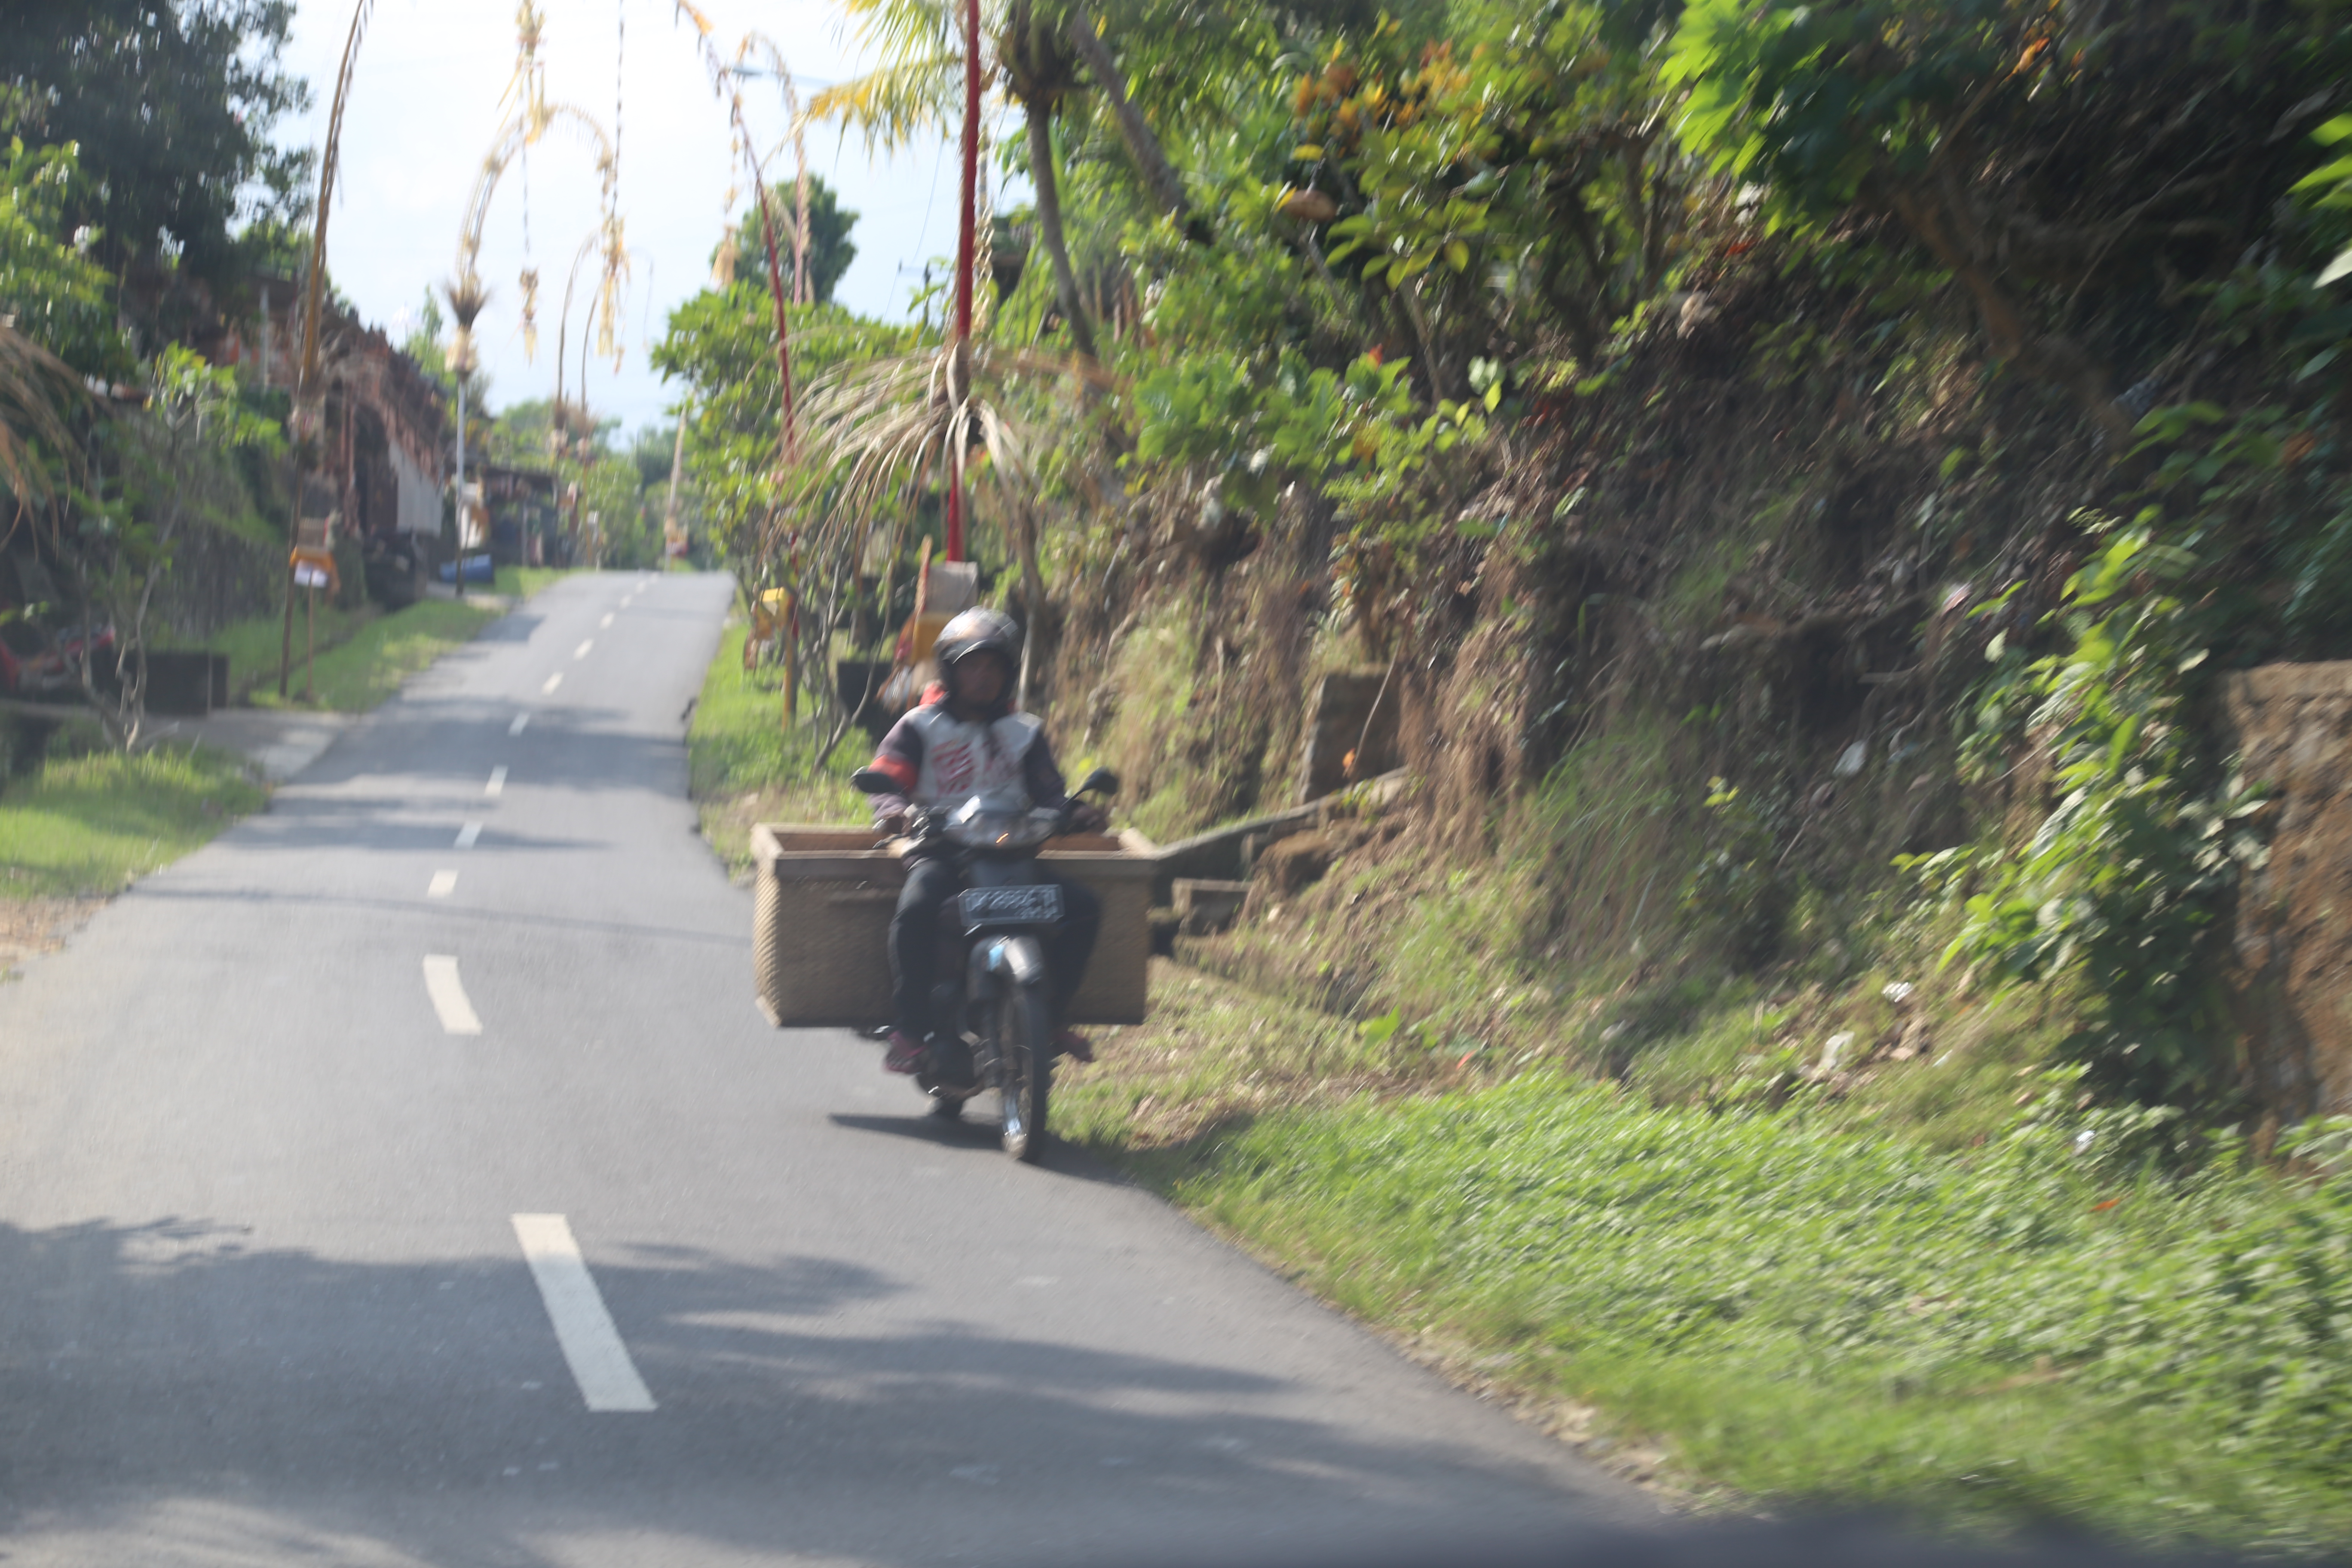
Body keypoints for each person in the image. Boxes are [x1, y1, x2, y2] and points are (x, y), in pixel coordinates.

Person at [862, 606, 1104, 1077]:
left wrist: (1077, 812)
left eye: (994, 666)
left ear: (1009, 673)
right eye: (972, 664)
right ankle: (910, 1031)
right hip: (941, 850)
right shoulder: (920, 725)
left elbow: (1050, 791)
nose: (984, 675)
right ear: (951, 670)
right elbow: (888, 778)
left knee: (1085, 907)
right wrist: (896, 813)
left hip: (1013, 852)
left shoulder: (1025, 731)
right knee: (915, 908)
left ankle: (1052, 1019)